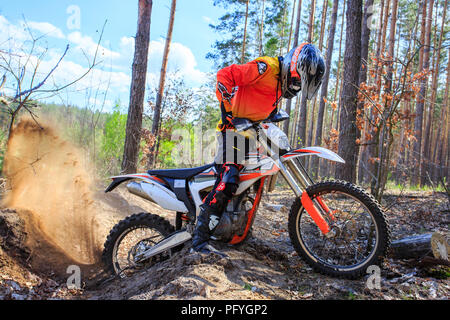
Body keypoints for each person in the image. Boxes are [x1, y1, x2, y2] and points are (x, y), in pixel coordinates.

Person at [191, 43, 326, 255]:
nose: (298, 88)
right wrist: (226, 109)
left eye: (302, 85)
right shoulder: (266, 68)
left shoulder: (281, 85)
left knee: (255, 184)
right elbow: (226, 74)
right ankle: (199, 242)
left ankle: (238, 232)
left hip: (253, 135)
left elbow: (258, 102)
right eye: (298, 81)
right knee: (228, 181)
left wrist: (272, 115)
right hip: (233, 132)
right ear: (293, 68)